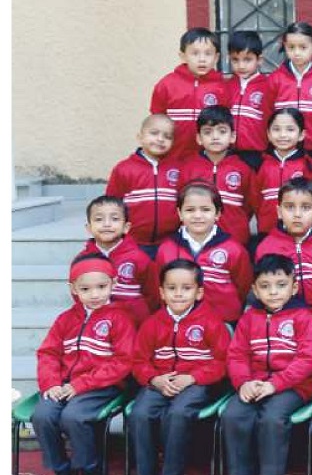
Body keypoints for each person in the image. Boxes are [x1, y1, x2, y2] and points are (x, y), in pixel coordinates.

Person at [223, 255, 312, 475]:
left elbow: (308, 359)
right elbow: (237, 355)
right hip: (254, 383)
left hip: (292, 386)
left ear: (294, 287)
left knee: (272, 419)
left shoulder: (303, 317)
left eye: (281, 285)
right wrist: (243, 382)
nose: (273, 292)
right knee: (233, 415)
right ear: (255, 290)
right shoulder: (248, 319)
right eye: (265, 286)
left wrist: (275, 384)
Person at [129, 259, 231, 475]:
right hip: (158, 382)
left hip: (195, 384)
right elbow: (138, 361)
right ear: (161, 292)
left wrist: (193, 377)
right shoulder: (152, 323)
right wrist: (154, 379)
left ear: (199, 292)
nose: (178, 294)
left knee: (177, 414)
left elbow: (223, 362)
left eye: (186, 288)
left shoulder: (211, 322)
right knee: (140, 414)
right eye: (171, 288)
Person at [33, 255, 137, 475]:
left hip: (101, 386)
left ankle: (91, 474)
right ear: (73, 289)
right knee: (43, 416)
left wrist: (80, 385)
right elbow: (48, 354)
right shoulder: (65, 319)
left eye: (102, 287)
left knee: (74, 417)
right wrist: (52, 384)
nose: (95, 295)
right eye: (86, 289)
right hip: (63, 385)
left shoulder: (120, 319)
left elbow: (123, 362)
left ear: (113, 284)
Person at [149, 182, 252, 324]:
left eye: (205, 210)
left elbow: (242, 287)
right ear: (179, 213)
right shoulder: (166, 249)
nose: (197, 216)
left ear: (217, 213)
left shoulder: (234, 249)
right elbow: (159, 286)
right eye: (190, 210)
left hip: (222, 322)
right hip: (180, 322)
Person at [255, 178, 312, 326]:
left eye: (305, 207)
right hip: (287, 327)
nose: (297, 214)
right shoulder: (266, 248)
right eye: (290, 207)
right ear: (279, 212)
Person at [177, 105, 256, 242]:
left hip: (235, 240)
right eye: (208, 132)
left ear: (232, 137)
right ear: (199, 138)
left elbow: (250, 206)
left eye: (222, 131)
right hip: (195, 240)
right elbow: (180, 202)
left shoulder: (243, 169)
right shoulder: (188, 168)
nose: (215, 137)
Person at [105, 113, 180, 249]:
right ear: (140, 137)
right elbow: (111, 205)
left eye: (167, 136)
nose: (160, 139)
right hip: (132, 242)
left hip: (170, 242)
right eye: (154, 133)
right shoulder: (124, 169)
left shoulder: (177, 169)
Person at [149, 27, 225, 160]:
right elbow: (157, 121)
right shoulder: (166, 84)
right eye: (195, 53)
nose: (202, 59)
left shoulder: (222, 87)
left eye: (208, 54)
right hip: (172, 158)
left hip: (208, 160)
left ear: (216, 57)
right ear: (183, 56)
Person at [77, 195, 154, 324]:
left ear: (126, 227)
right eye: (99, 219)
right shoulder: (82, 260)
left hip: (134, 323)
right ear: (89, 228)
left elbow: (152, 294)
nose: (107, 224)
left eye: (115, 219)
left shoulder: (139, 258)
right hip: (96, 324)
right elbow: (78, 292)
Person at [254, 108, 312, 239]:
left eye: (290, 129)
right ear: (268, 134)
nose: (283, 135)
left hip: (302, 235)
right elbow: (255, 201)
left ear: (301, 135)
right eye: (276, 129)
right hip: (267, 234)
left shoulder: (311, 167)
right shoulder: (261, 166)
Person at [269, 21, 312, 165]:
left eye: (303, 47)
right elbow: (268, 114)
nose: (297, 53)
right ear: (285, 47)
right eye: (291, 47)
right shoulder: (275, 79)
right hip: (282, 151)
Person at [224, 29, 271, 171]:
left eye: (247, 59)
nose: (241, 66)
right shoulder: (226, 86)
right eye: (235, 60)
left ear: (259, 60)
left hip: (257, 155)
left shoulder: (268, 87)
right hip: (228, 153)